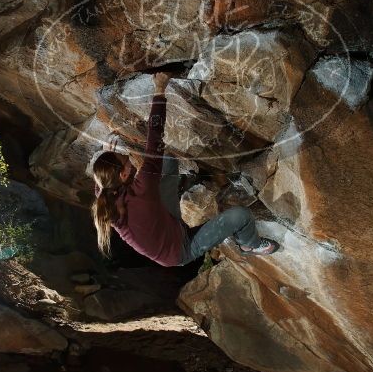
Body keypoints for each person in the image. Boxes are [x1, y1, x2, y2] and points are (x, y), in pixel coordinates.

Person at [91, 71, 279, 266]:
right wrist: (159, 90)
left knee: (168, 161)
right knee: (241, 216)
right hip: (181, 248)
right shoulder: (142, 189)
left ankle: (185, 185)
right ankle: (250, 245)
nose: (130, 158)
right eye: (126, 160)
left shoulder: (106, 193)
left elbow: (98, 183)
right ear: (122, 174)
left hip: (163, 219)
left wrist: (105, 153)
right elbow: (154, 137)